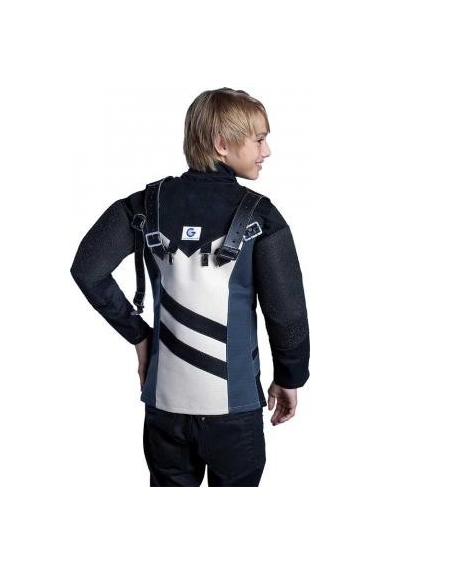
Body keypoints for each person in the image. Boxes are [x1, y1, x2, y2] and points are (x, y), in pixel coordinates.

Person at [70, 88, 310, 487]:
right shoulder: (262, 217)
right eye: (259, 140)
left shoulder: (143, 206)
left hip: (164, 409)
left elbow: (87, 269)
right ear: (221, 144)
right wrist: (290, 377)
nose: (266, 151)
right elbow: (287, 315)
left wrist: (139, 336)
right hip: (235, 414)